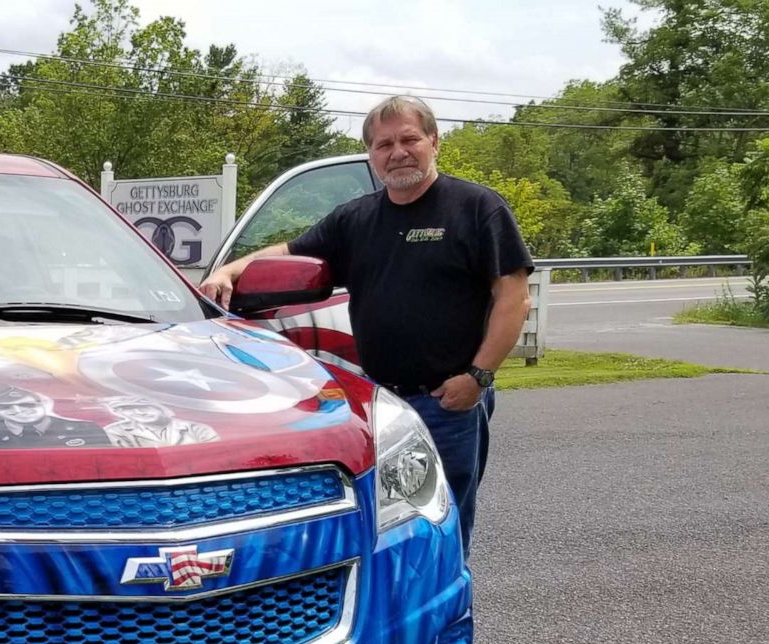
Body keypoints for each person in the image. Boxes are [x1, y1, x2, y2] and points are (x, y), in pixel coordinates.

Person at [200, 95, 532, 554]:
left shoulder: (476, 208)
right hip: (380, 403)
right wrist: (229, 272)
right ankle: (394, 618)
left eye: (408, 139)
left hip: (449, 401)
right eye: (383, 144)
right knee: (384, 529)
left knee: (444, 524)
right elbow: (289, 252)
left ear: (434, 141)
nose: (397, 152)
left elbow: (513, 296)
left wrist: (478, 377)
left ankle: (445, 618)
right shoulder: (356, 219)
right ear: (371, 155)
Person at [0, 383, 110, 449]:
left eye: (27, 404)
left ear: (42, 400)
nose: (18, 411)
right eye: (4, 407)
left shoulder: (86, 431)